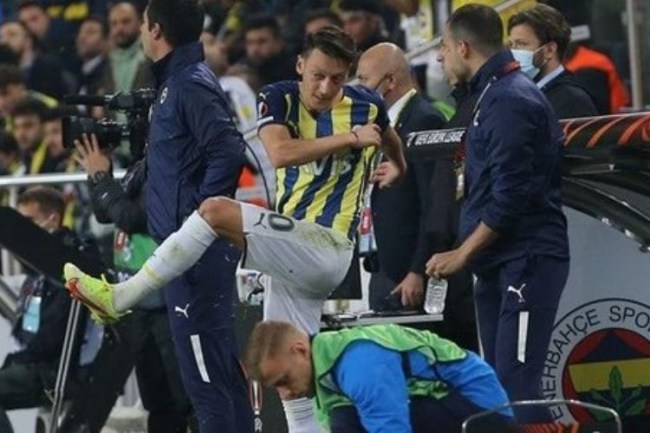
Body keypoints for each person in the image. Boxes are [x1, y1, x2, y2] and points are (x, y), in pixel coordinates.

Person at [64, 25, 406, 433]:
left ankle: (120, 297)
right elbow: (280, 153)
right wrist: (352, 140)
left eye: (337, 78)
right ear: (300, 65)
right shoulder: (277, 97)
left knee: (214, 211)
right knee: (291, 379)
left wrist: (397, 167)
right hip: (293, 255)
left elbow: (389, 137)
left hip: (329, 248)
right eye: (318, 75)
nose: (325, 88)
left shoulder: (366, 104)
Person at [70, 1, 255, 432]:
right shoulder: (177, 83)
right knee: (215, 374)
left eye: (141, 24)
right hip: (185, 254)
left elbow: (228, 151)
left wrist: (201, 220)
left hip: (193, 257)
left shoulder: (188, 84)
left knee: (206, 381)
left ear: (155, 30)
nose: (139, 31)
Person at [429, 4, 569, 423]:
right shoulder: (491, 95)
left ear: (464, 48)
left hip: (525, 261)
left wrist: (462, 253)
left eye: (444, 47)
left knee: (517, 386)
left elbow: (511, 197)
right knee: (496, 387)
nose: (440, 57)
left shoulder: (510, 100)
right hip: (497, 263)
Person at [355, 42, 478, 351]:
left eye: (364, 80)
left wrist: (417, 271)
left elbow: (433, 205)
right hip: (383, 267)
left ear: (390, 81)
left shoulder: (424, 121)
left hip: (412, 275)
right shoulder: (378, 127)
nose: (358, 89)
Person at [75, 132, 197, 433]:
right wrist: (98, 175)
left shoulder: (171, 169)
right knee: (156, 401)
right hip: (141, 303)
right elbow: (106, 213)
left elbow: (131, 217)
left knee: (183, 399)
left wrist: (101, 177)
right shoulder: (141, 166)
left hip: (168, 300)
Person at [245, 320, 512, 433]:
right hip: (440, 405)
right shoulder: (323, 370)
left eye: (284, 380)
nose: (286, 395)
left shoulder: (360, 365)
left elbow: (392, 429)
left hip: (482, 412)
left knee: (348, 419)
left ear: (300, 350)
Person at [0, 186, 90, 433]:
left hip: (53, 371)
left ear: (53, 219)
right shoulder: (37, 262)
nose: (21, 229)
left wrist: (19, 359)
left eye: (28, 221)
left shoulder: (66, 265)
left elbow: (54, 335)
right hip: (36, 362)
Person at [507, 4, 598, 119]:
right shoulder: (520, 94)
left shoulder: (573, 101)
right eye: (511, 45)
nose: (513, 52)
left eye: (521, 44)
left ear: (549, 50)